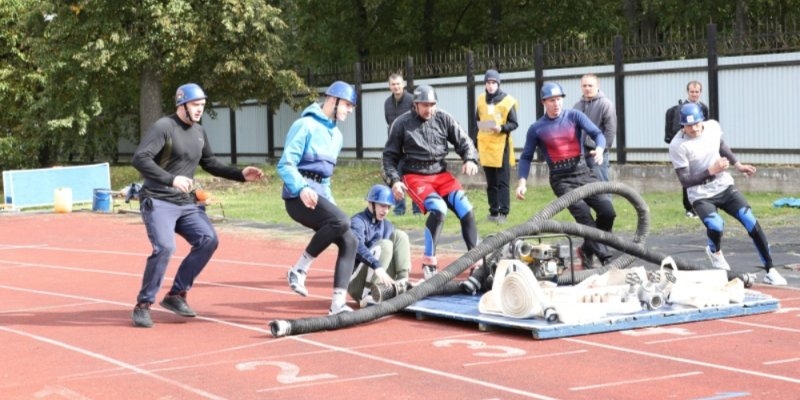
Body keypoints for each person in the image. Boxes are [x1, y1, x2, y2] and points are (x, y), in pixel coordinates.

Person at [130, 83, 264, 328]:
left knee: (208, 239)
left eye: (202, 105)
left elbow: (210, 162)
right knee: (165, 247)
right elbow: (140, 158)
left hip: (185, 203)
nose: (200, 109)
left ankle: (176, 295)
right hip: (159, 200)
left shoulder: (200, 131)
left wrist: (240, 174)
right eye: (195, 105)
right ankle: (143, 304)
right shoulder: (164, 127)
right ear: (181, 104)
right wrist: (171, 179)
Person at [668, 103, 787, 285]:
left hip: (724, 185)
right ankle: (714, 251)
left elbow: (721, 145)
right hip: (700, 194)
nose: (694, 129)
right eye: (689, 126)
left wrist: (738, 165)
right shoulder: (678, 145)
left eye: (697, 124)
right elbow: (685, 180)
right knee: (716, 225)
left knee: (750, 220)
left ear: (702, 121)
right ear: (682, 126)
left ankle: (770, 269)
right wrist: (711, 170)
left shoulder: (713, 127)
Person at [278, 81, 361, 315]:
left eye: (351, 106)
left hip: (320, 196)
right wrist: (302, 188)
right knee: (342, 221)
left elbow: (325, 180)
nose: (349, 110)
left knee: (351, 240)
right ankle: (299, 270)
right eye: (347, 105)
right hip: (296, 197)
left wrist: (332, 206)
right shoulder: (304, 125)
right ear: (332, 100)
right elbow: (285, 165)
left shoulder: (337, 136)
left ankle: (337, 304)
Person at [382, 84, 481, 280]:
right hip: (415, 175)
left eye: (432, 104)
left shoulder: (443, 118)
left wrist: (470, 158)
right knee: (438, 208)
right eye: (425, 105)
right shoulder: (401, 124)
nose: (429, 109)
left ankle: (475, 260)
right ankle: (429, 262)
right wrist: (394, 181)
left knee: (466, 208)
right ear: (415, 105)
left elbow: (464, 141)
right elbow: (389, 157)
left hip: (441, 174)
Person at [515, 82, 616, 268]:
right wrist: (522, 182)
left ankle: (587, 249)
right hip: (561, 180)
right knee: (584, 216)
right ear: (543, 102)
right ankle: (607, 259)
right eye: (552, 100)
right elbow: (526, 157)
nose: (556, 104)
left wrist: (600, 149)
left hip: (584, 172)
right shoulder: (536, 128)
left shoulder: (575, 115)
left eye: (559, 99)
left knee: (608, 211)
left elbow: (597, 133)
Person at [348, 184, 412, 307]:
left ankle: (403, 283)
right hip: (357, 283)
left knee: (400, 235)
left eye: (388, 207)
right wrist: (376, 265)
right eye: (382, 206)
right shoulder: (358, 221)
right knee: (385, 245)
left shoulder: (387, 225)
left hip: (380, 278)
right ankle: (368, 295)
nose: (385, 210)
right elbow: (356, 247)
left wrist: (405, 262)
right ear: (371, 203)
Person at [476, 69, 519, 224]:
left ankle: (503, 213)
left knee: (502, 181)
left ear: (498, 84)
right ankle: (493, 211)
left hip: (501, 146)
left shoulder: (507, 101)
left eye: (494, 82)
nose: (491, 85)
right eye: (488, 82)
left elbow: (514, 123)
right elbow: (477, 120)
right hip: (486, 146)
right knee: (491, 182)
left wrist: (501, 128)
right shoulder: (481, 99)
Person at [665, 81, 710, 219]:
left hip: (701, 148)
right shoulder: (681, 109)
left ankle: (703, 205)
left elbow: (706, 127)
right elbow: (675, 130)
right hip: (685, 149)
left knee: (703, 175)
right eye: (692, 92)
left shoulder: (704, 108)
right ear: (687, 92)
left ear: (700, 92)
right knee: (687, 177)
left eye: (697, 92)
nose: (694, 94)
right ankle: (689, 208)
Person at [383, 73, 420, 216]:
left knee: (414, 179)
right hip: (395, 147)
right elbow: (389, 123)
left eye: (398, 84)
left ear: (403, 84)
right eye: (393, 84)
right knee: (396, 178)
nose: (396, 87)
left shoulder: (412, 100)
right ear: (389, 86)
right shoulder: (387, 103)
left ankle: (417, 210)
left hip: (412, 146)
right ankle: (399, 209)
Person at [574, 73, 616, 182]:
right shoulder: (577, 106)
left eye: (590, 85)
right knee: (583, 188)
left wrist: (602, 149)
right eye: (584, 86)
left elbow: (610, 130)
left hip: (597, 154)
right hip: (580, 154)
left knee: (601, 188)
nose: (587, 88)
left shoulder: (605, 104)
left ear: (597, 86)